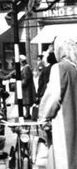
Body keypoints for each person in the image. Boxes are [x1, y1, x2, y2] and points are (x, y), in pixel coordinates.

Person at [39, 35, 77, 169]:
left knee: (64, 160)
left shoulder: (60, 68)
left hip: (65, 123)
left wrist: (44, 117)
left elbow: (53, 96)